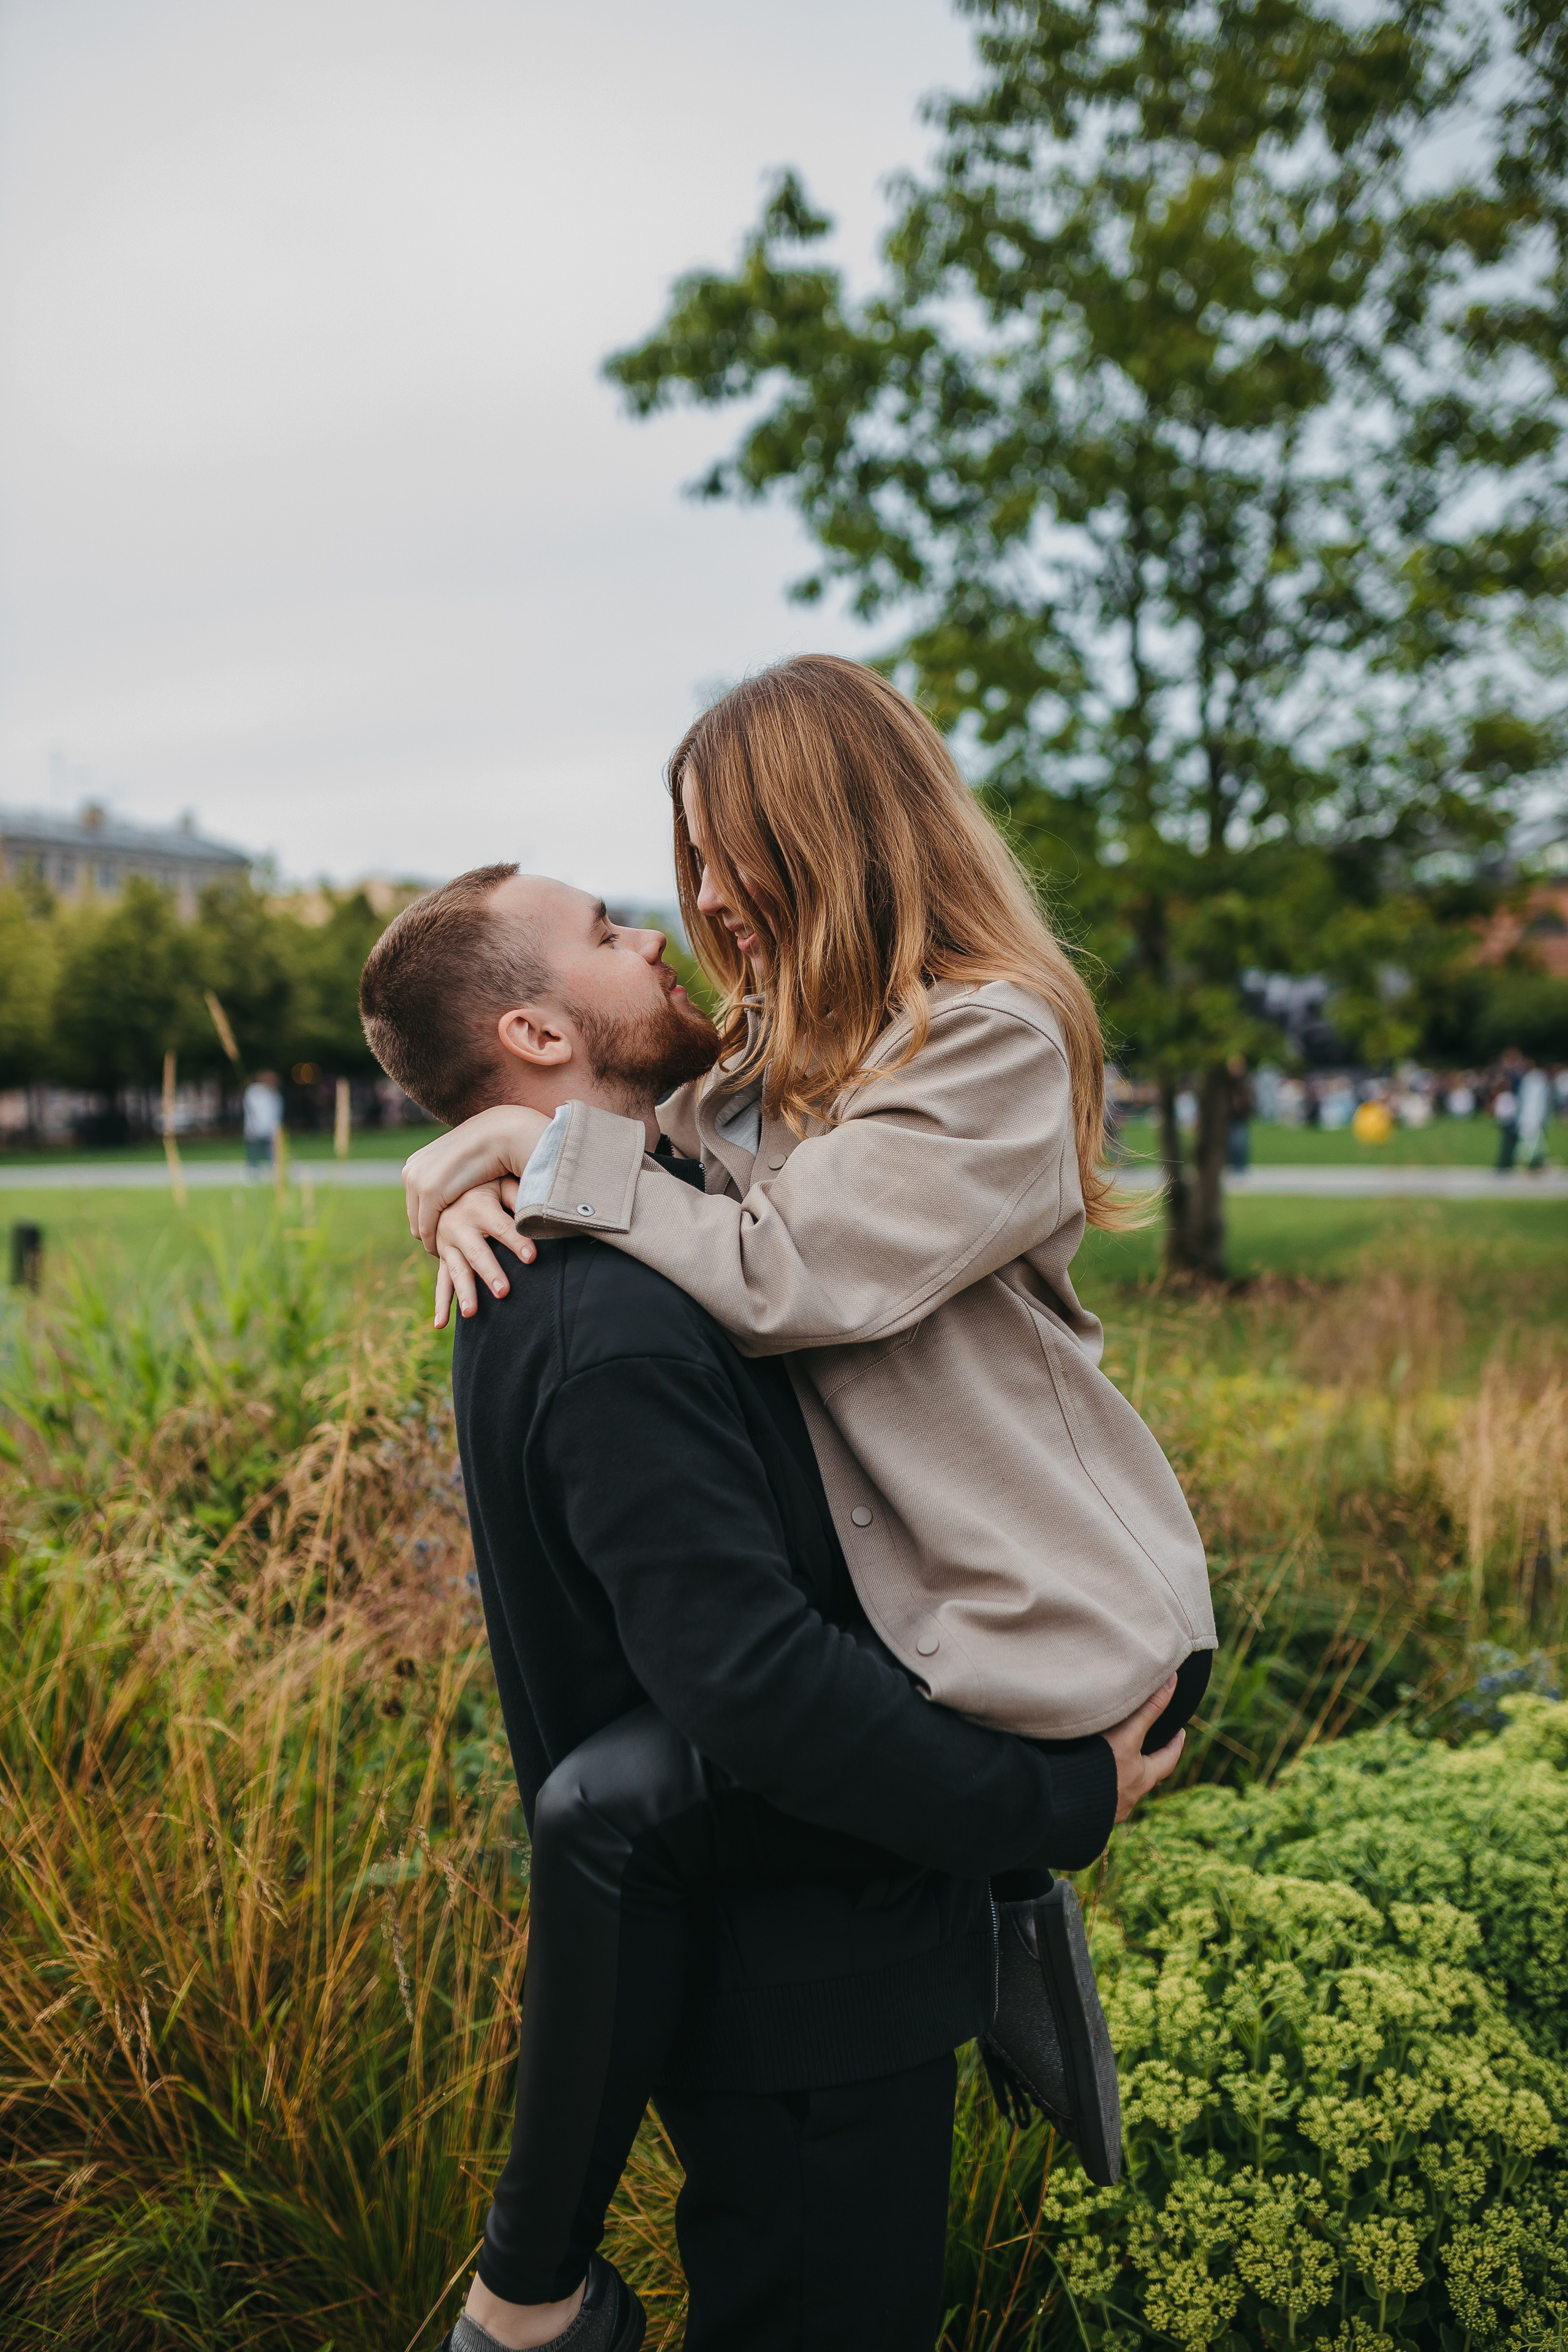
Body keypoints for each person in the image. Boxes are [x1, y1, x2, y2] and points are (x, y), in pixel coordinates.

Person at [359, 868, 1191, 2352]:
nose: (655, 938)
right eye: (609, 933)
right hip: (806, 1993)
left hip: (796, 1963)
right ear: (537, 1028)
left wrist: (524, 1151)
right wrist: (1051, 1792)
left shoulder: (626, 1230)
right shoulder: (600, 1316)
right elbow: (756, 1691)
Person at [241, 1069, 283, 1175]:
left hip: (270, 1129)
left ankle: (275, 1169)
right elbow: (253, 1111)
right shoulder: (255, 1091)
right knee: (254, 1150)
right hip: (256, 1128)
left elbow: (276, 1113)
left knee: (271, 1150)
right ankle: (253, 1170)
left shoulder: (274, 1093)